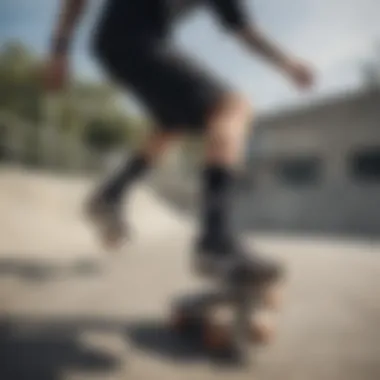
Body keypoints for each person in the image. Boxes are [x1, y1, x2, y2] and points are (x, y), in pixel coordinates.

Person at [45, 0, 314, 281]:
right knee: (232, 107)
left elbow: (244, 30)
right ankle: (216, 241)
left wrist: (287, 63)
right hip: (133, 37)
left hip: (124, 41)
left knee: (172, 123)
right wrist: (59, 49)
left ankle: (111, 194)